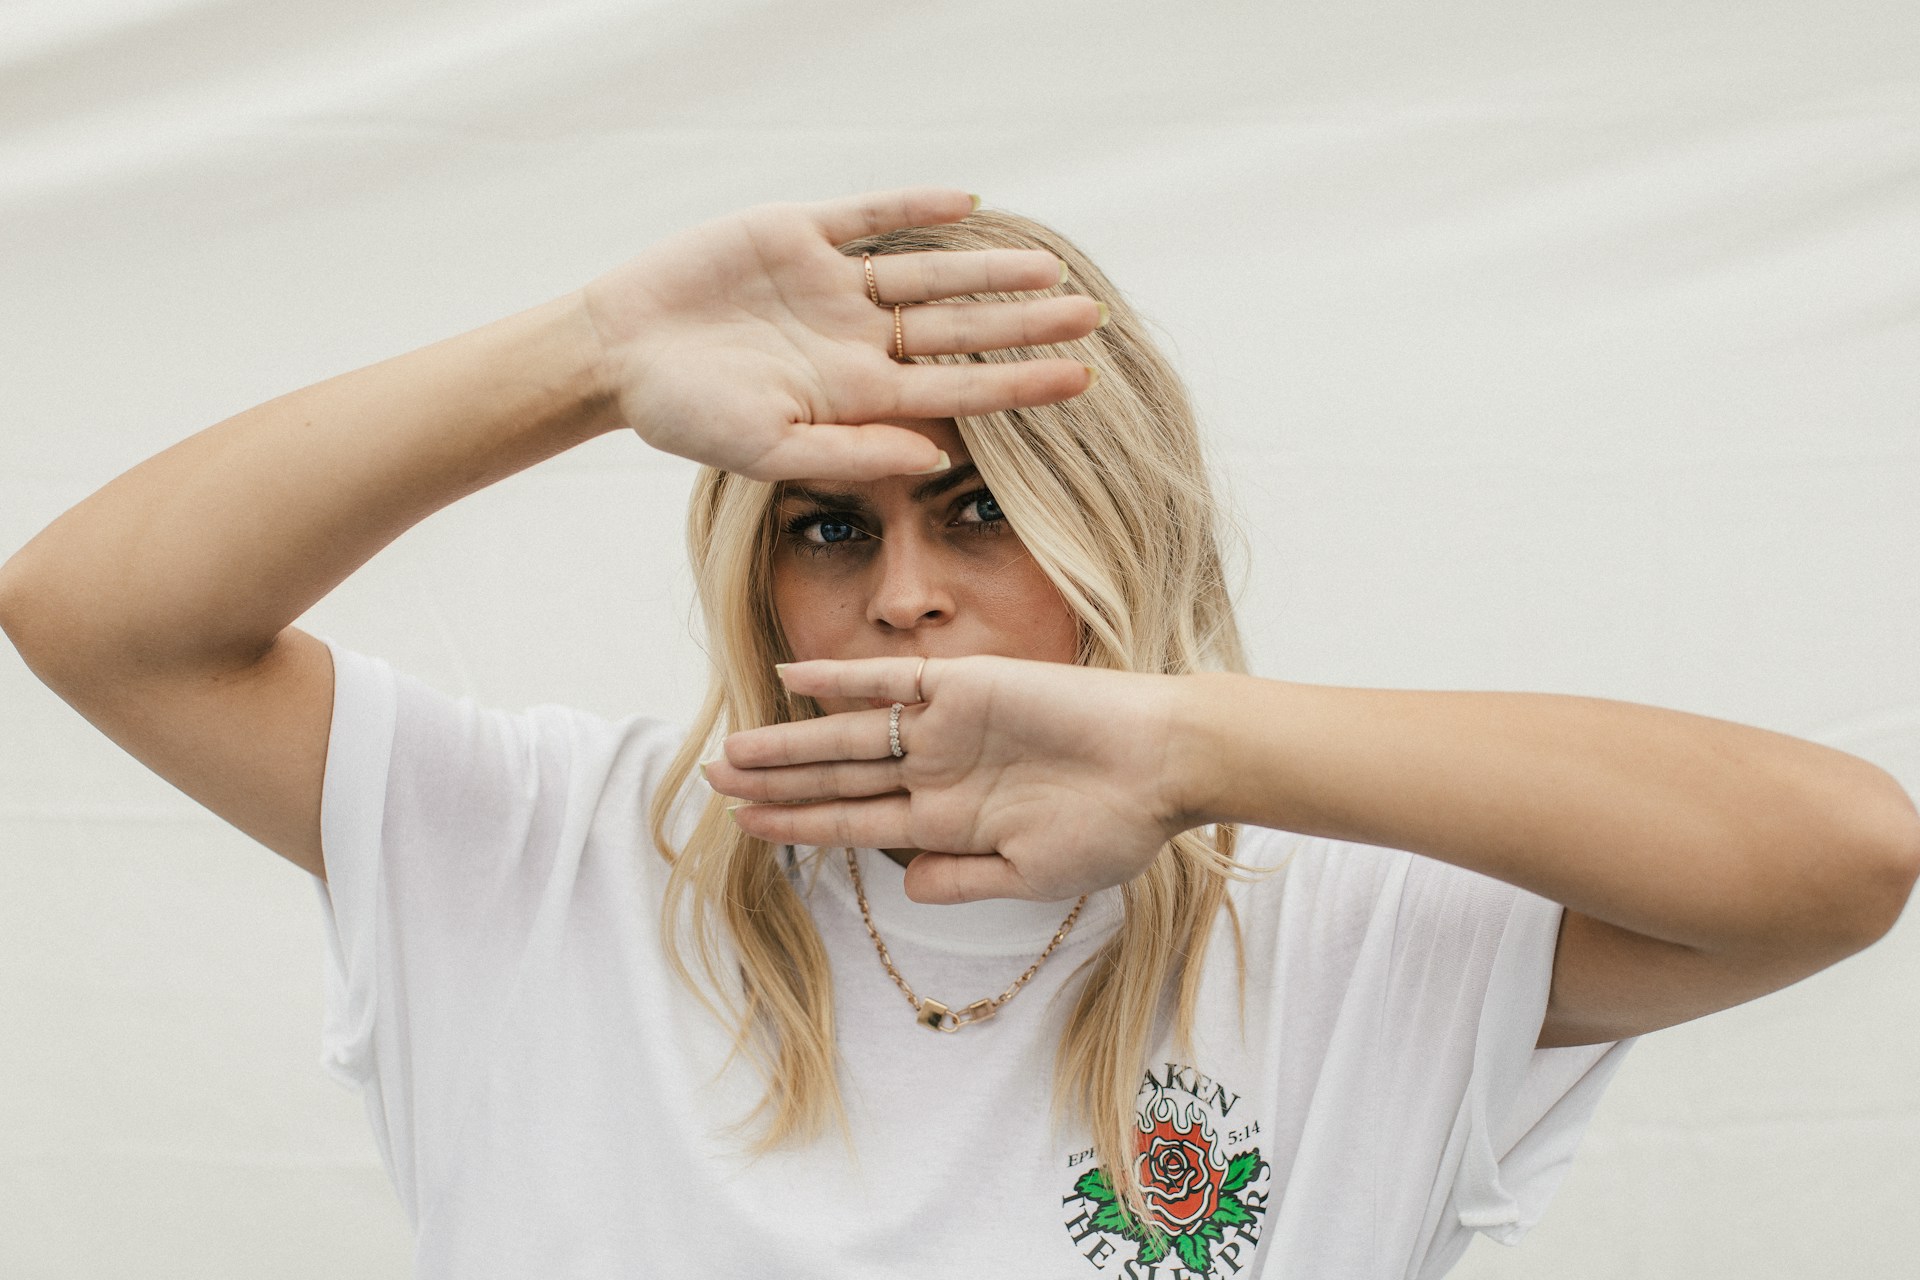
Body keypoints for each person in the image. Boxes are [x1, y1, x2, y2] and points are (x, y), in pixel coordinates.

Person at [2, 186, 1915, 1280]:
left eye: (982, 512)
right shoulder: (539, 857)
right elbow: (98, 615)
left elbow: (1839, 859)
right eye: (833, 526)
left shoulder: (1343, 935)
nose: (904, 593)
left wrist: (1195, 746)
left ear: (1122, 538)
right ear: (758, 581)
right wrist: (583, 360)